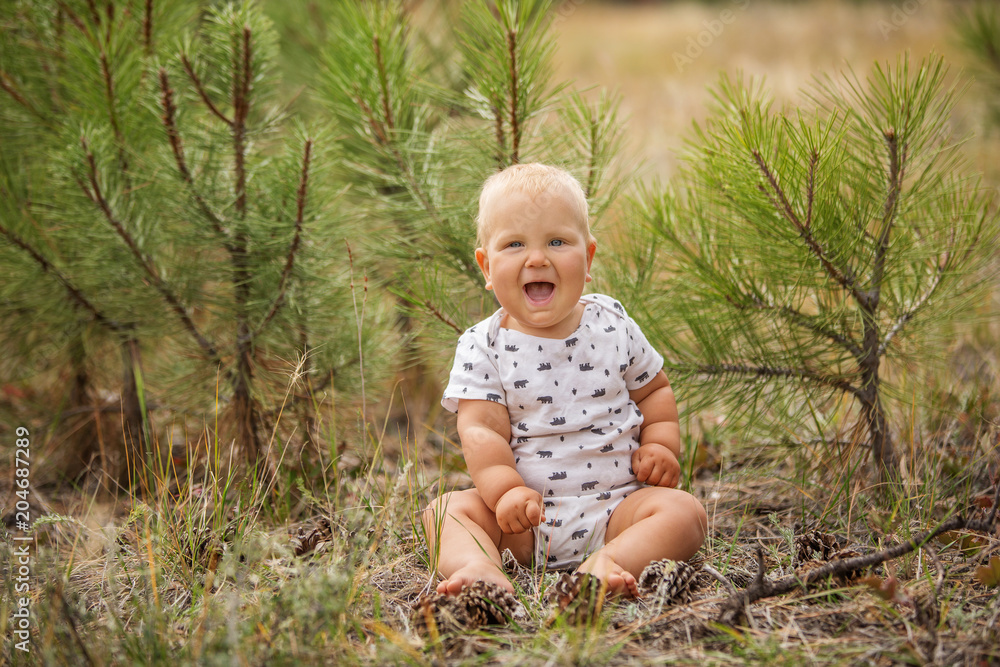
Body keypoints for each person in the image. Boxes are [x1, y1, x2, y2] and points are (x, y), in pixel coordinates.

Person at [423, 163, 707, 598]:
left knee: (685, 513)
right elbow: (481, 431)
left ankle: (609, 563)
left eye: (557, 242)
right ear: (486, 266)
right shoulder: (483, 345)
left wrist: (661, 445)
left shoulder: (613, 323)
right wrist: (505, 492)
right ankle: (480, 566)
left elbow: (655, 390)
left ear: (588, 259)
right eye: (514, 244)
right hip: (524, 523)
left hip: (619, 512)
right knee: (446, 511)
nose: (537, 258)